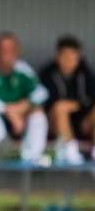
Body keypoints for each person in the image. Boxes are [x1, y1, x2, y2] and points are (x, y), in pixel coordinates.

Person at [0, 32, 49, 166]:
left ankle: (35, 157)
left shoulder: (24, 69)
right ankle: (4, 153)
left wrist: (22, 106)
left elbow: (41, 92)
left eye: (10, 49)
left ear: (17, 51)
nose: (6, 53)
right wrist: (7, 110)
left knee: (38, 113)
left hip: (20, 122)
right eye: (2, 49)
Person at [39, 35, 95, 165]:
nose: (69, 61)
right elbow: (46, 102)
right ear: (57, 55)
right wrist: (68, 105)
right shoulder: (46, 74)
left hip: (81, 124)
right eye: (65, 57)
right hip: (55, 125)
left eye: (73, 57)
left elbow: (91, 99)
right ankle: (71, 153)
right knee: (60, 108)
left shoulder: (85, 73)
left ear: (78, 57)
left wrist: (75, 105)